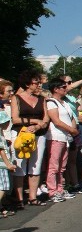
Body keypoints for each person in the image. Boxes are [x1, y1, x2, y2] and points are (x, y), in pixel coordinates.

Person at [10, 69, 49, 207]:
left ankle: (33, 197)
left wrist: (38, 126)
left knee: (36, 164)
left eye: (39, 82)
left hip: (39, 135)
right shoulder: (16, 98)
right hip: (21, 134)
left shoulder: (42, 99)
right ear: (28, 83)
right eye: (36, 82)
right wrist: (34, 122)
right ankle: (20, 198)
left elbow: (45, 118)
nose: (39, 85)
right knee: (20, 164)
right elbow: (15, 119)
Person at [44, 77, 79, 203]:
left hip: (66, 138)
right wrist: (71, 129)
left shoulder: (65, 103)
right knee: (54, 166)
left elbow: (72, 117)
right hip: (56, 137)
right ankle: (52, 191)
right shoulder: (51, 102)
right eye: (63, 87)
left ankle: (60, 189)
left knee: (62, 166)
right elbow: (56, 121)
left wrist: (73, 129)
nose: (66, 89)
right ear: (55, 89)